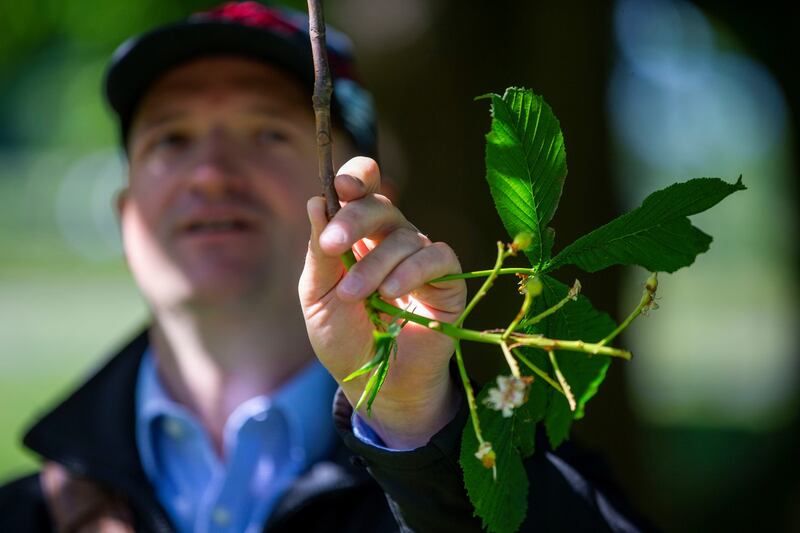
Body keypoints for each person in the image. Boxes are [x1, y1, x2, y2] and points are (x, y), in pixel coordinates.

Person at [0, 2, 653, 531]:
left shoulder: (526, 483)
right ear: (125, 213)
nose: (209, 173)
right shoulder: (29, 511)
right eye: (171, 138)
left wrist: (415, 430)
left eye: (269, 132)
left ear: (368, 202)